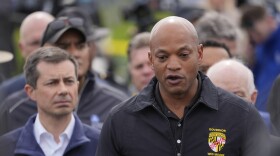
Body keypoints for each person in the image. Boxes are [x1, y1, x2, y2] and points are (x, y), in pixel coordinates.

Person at [96, 16, 270, 156]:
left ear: (199, 53)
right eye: (163, 57)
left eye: (183, 55)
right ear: (151, 60)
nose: (173, 65)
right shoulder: (120, 122)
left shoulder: (241, 115)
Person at [0, 17, 128, 135]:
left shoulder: (116, 104)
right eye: (63, 46)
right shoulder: (13, 109)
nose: (75, 53)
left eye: (80, 46)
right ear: (44, 50)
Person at [0, 47, 99, 155]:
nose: (63, 90)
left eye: (69, 81)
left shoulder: (100, 143)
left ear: (77, 86)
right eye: (52, 83)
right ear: (31, 92)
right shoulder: (6, 147)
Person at [206, 59, 277, 135]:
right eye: (219, 95)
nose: (228, 104)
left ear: (253, 98)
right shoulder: (195, 126)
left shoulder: (267, 128)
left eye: (237, 95)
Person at [0, 11, 54, 103]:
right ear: (22, 48)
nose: (43, 49)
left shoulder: (80, 87)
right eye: (35, 43)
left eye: (48, 41)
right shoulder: (6, 94)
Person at [240, 4, 280, 112]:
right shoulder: (259, 48)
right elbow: (254, 79)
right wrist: (249, 61)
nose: (253, 36)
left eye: (255, 31)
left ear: (269, 21)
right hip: (262, 109)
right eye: (250, 33)